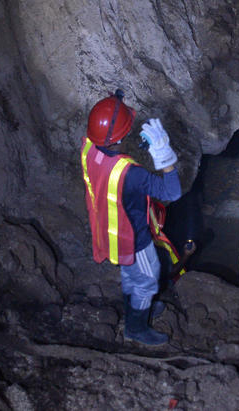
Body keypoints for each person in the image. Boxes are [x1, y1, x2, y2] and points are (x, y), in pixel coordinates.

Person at [80, 90, 182, 345]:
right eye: (128, 133)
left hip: (108, 231)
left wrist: (115, 106)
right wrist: (164, 155)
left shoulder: (89, 149)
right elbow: (172, 191)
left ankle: (136, 307)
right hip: (133, 239)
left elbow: (107, 135)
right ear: (120, 138)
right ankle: (136, 327)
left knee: (131, 275)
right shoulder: (132, 174)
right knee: (148, 280)